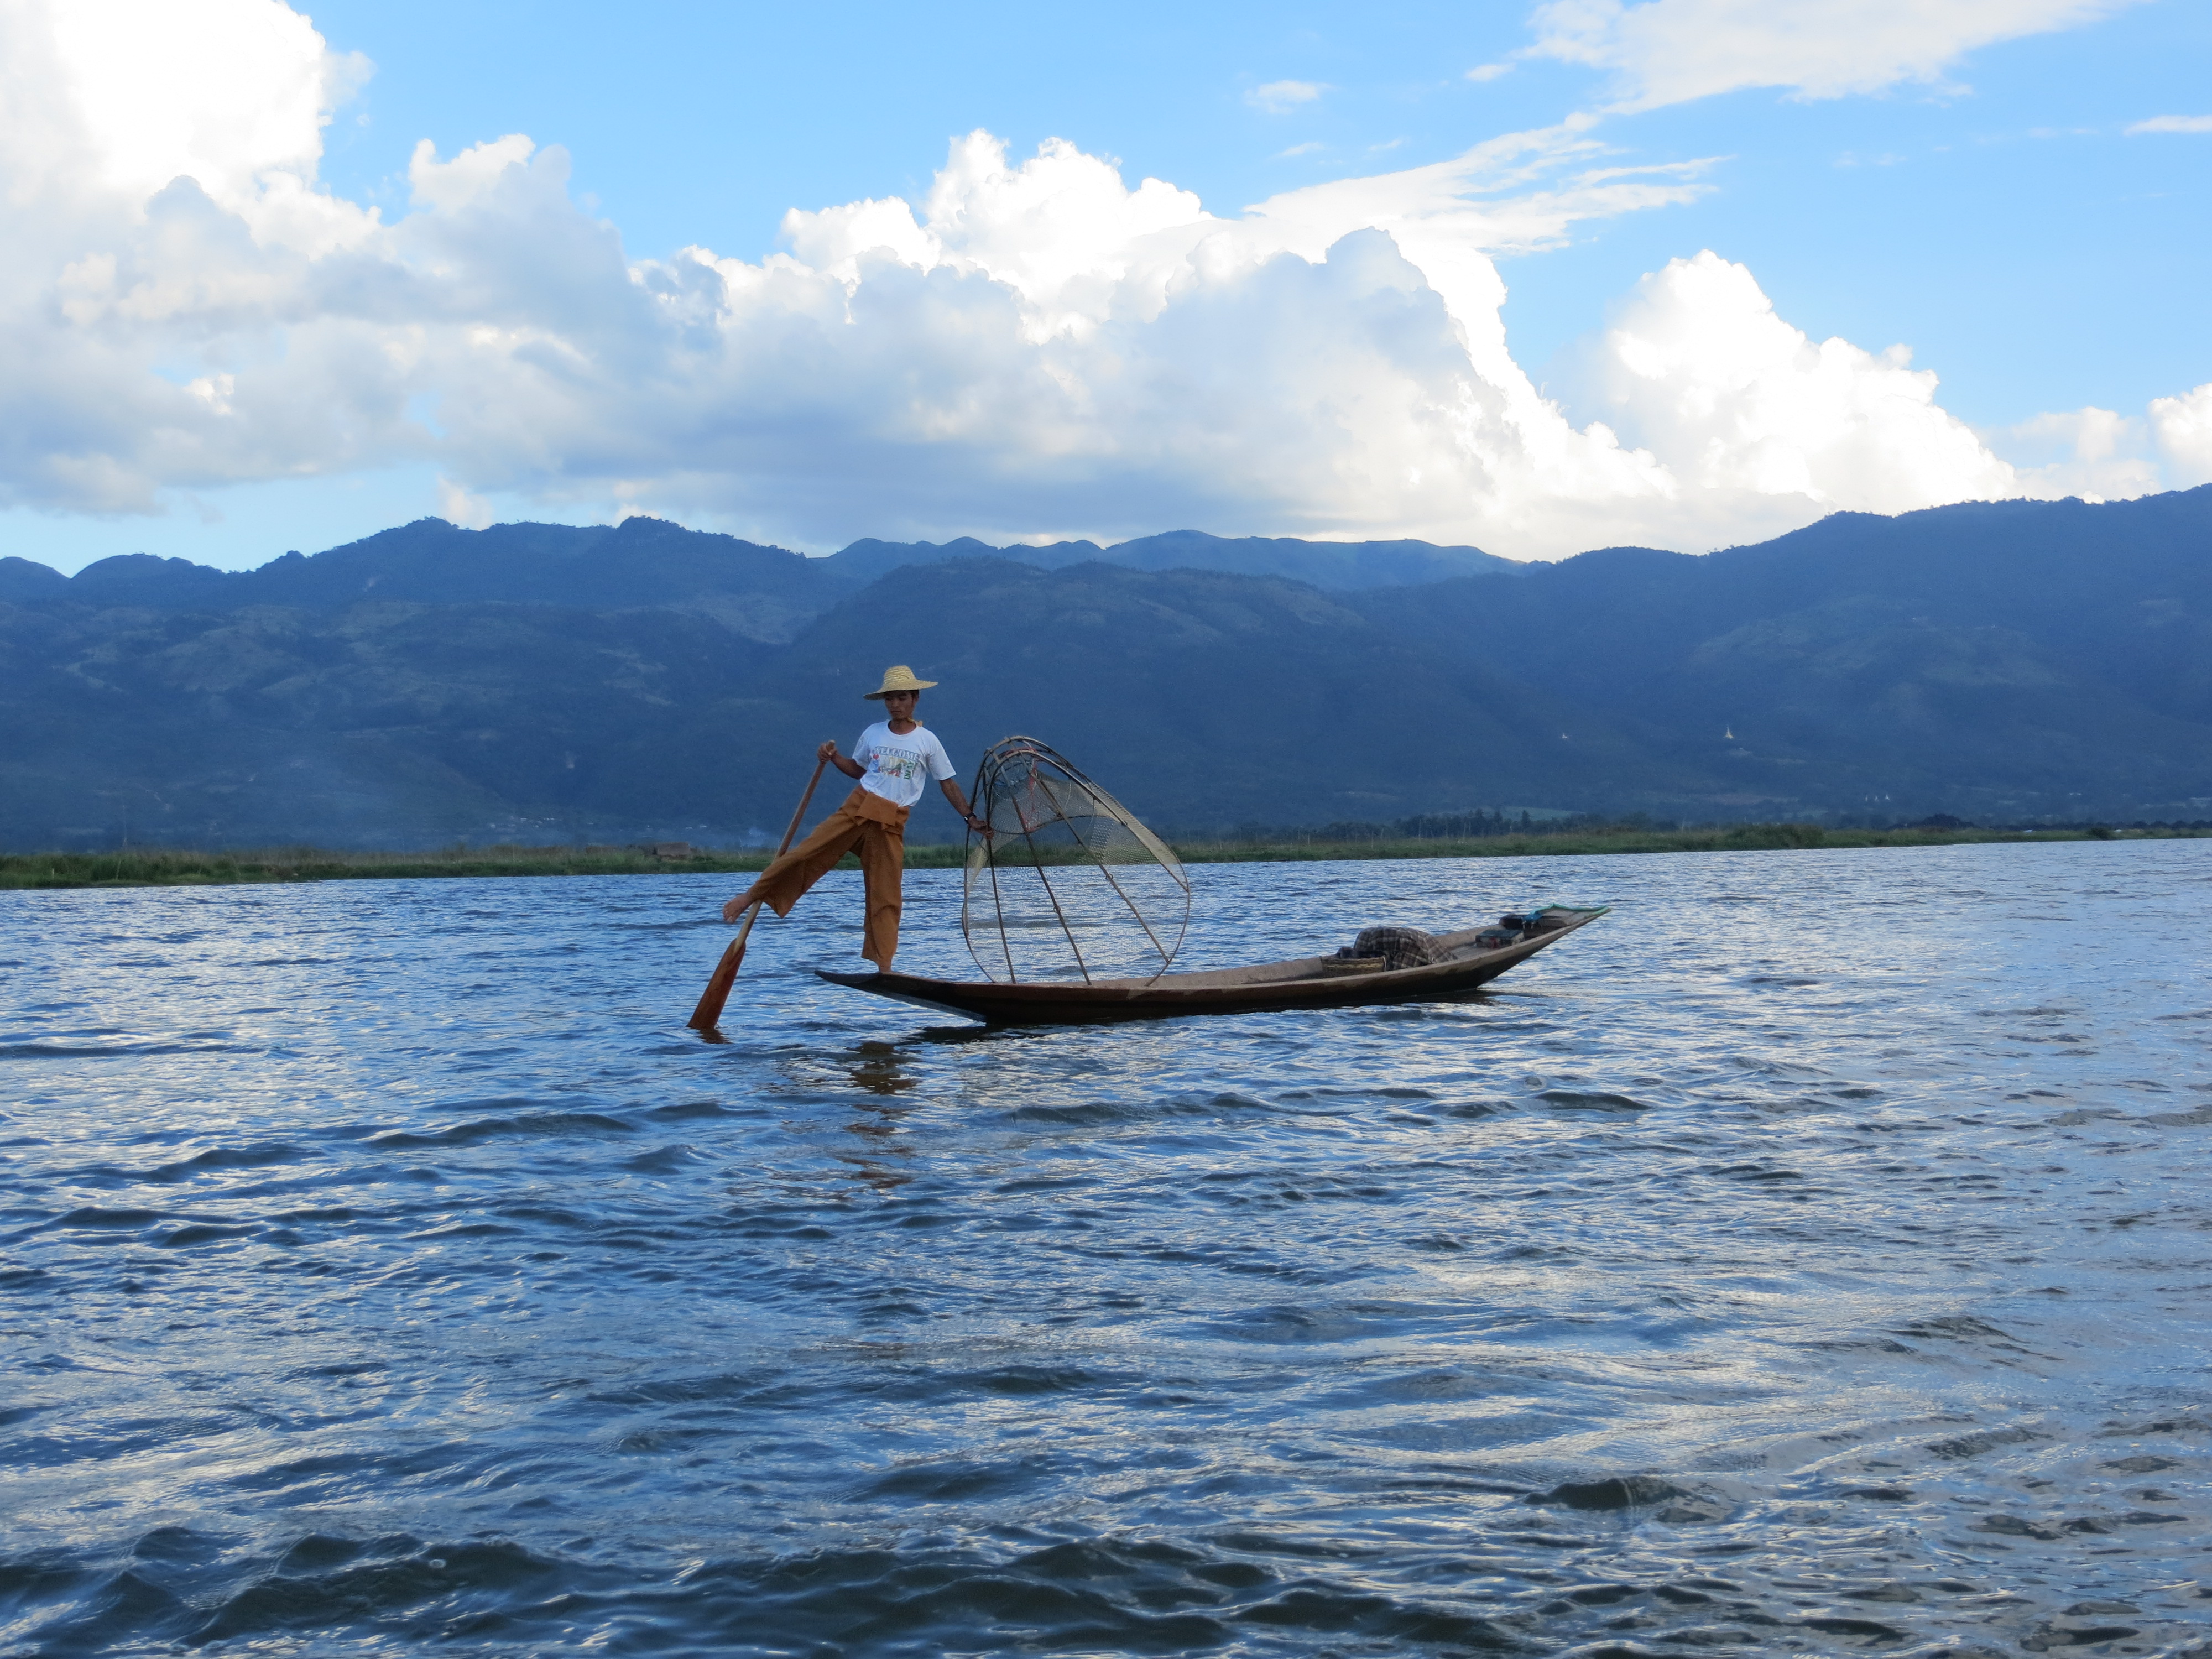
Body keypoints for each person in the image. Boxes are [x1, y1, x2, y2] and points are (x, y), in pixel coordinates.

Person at [720, 665, 987, 971]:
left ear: (915, 700)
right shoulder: (873, 733)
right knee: (806, 853)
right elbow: (858, 770)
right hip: (858, 808)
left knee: (886, 893)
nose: (895, 704)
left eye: (902, 698)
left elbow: (947, 783)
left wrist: (970, 817)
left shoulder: (927, 741)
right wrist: (833, 758)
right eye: (890, 699)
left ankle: (884, 965)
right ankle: (750, 896)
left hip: (891, 821)